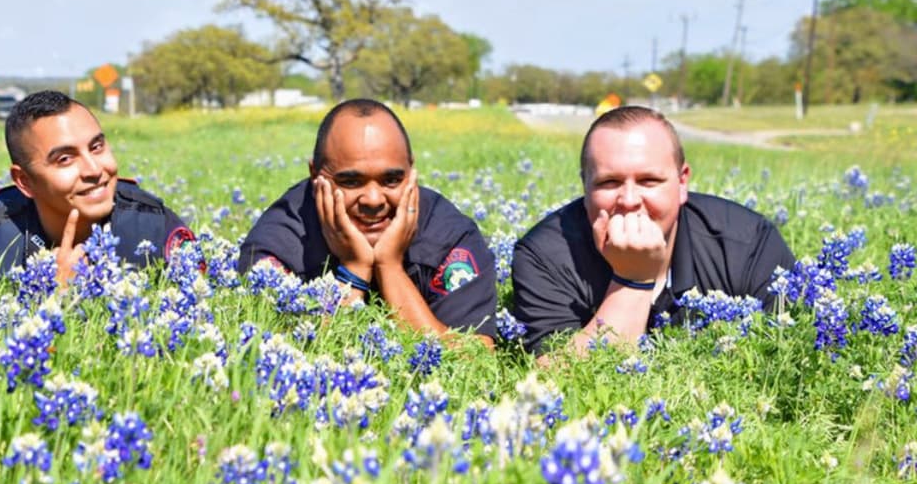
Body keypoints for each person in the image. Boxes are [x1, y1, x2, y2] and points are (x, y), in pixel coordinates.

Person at [510, 105, 795, 355]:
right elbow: (557, 383)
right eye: (609, 182)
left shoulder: (747, 243)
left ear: (682, 182)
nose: (630, 200)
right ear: (585, 186)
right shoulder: (544, 254)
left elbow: (783, 358)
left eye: (648, 181)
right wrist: (633, 279)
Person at [238, 98, 498, 343]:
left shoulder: (448, 235)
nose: (373, 200)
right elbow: (285, 360)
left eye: (391, 180)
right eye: (350, 181)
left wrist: (390, 267)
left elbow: (473, 359)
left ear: (411, 170)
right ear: (315, 175)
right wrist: (354, 270)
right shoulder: (279, 244)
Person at [0, 90, 194, 281]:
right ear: (25, 182)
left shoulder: (155, 228)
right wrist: (51, 297)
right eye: (65, 159)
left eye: (96, 147)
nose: (94, 170)